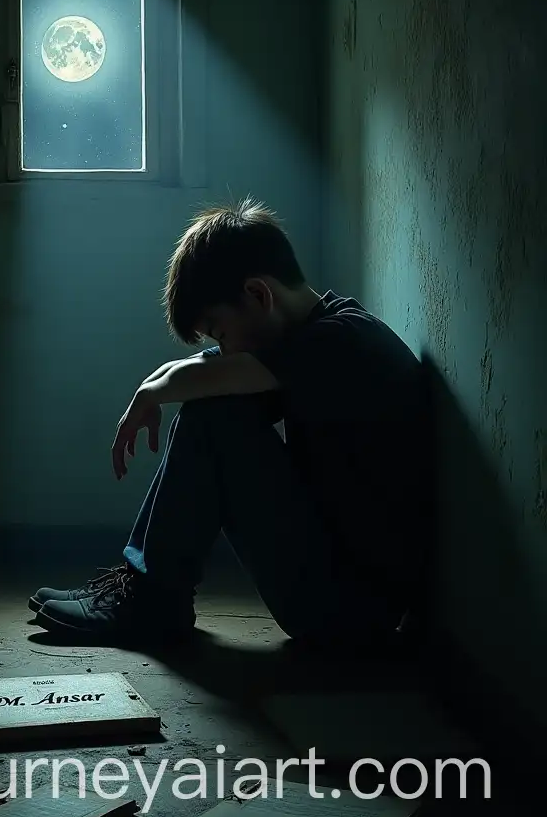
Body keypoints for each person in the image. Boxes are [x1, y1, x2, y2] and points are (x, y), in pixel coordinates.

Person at [30, 197, 433, 646]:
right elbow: (204, 370)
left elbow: (209, 377)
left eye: (221, 332)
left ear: (259, 295)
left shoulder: (341, 343)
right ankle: (146, 589)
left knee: (214, 410)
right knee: (216, 402)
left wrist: (151, 394)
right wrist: (152, 390)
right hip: (341, 590)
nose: (223, 348)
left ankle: (152, 598)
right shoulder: (319, 336)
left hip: (349, 610)